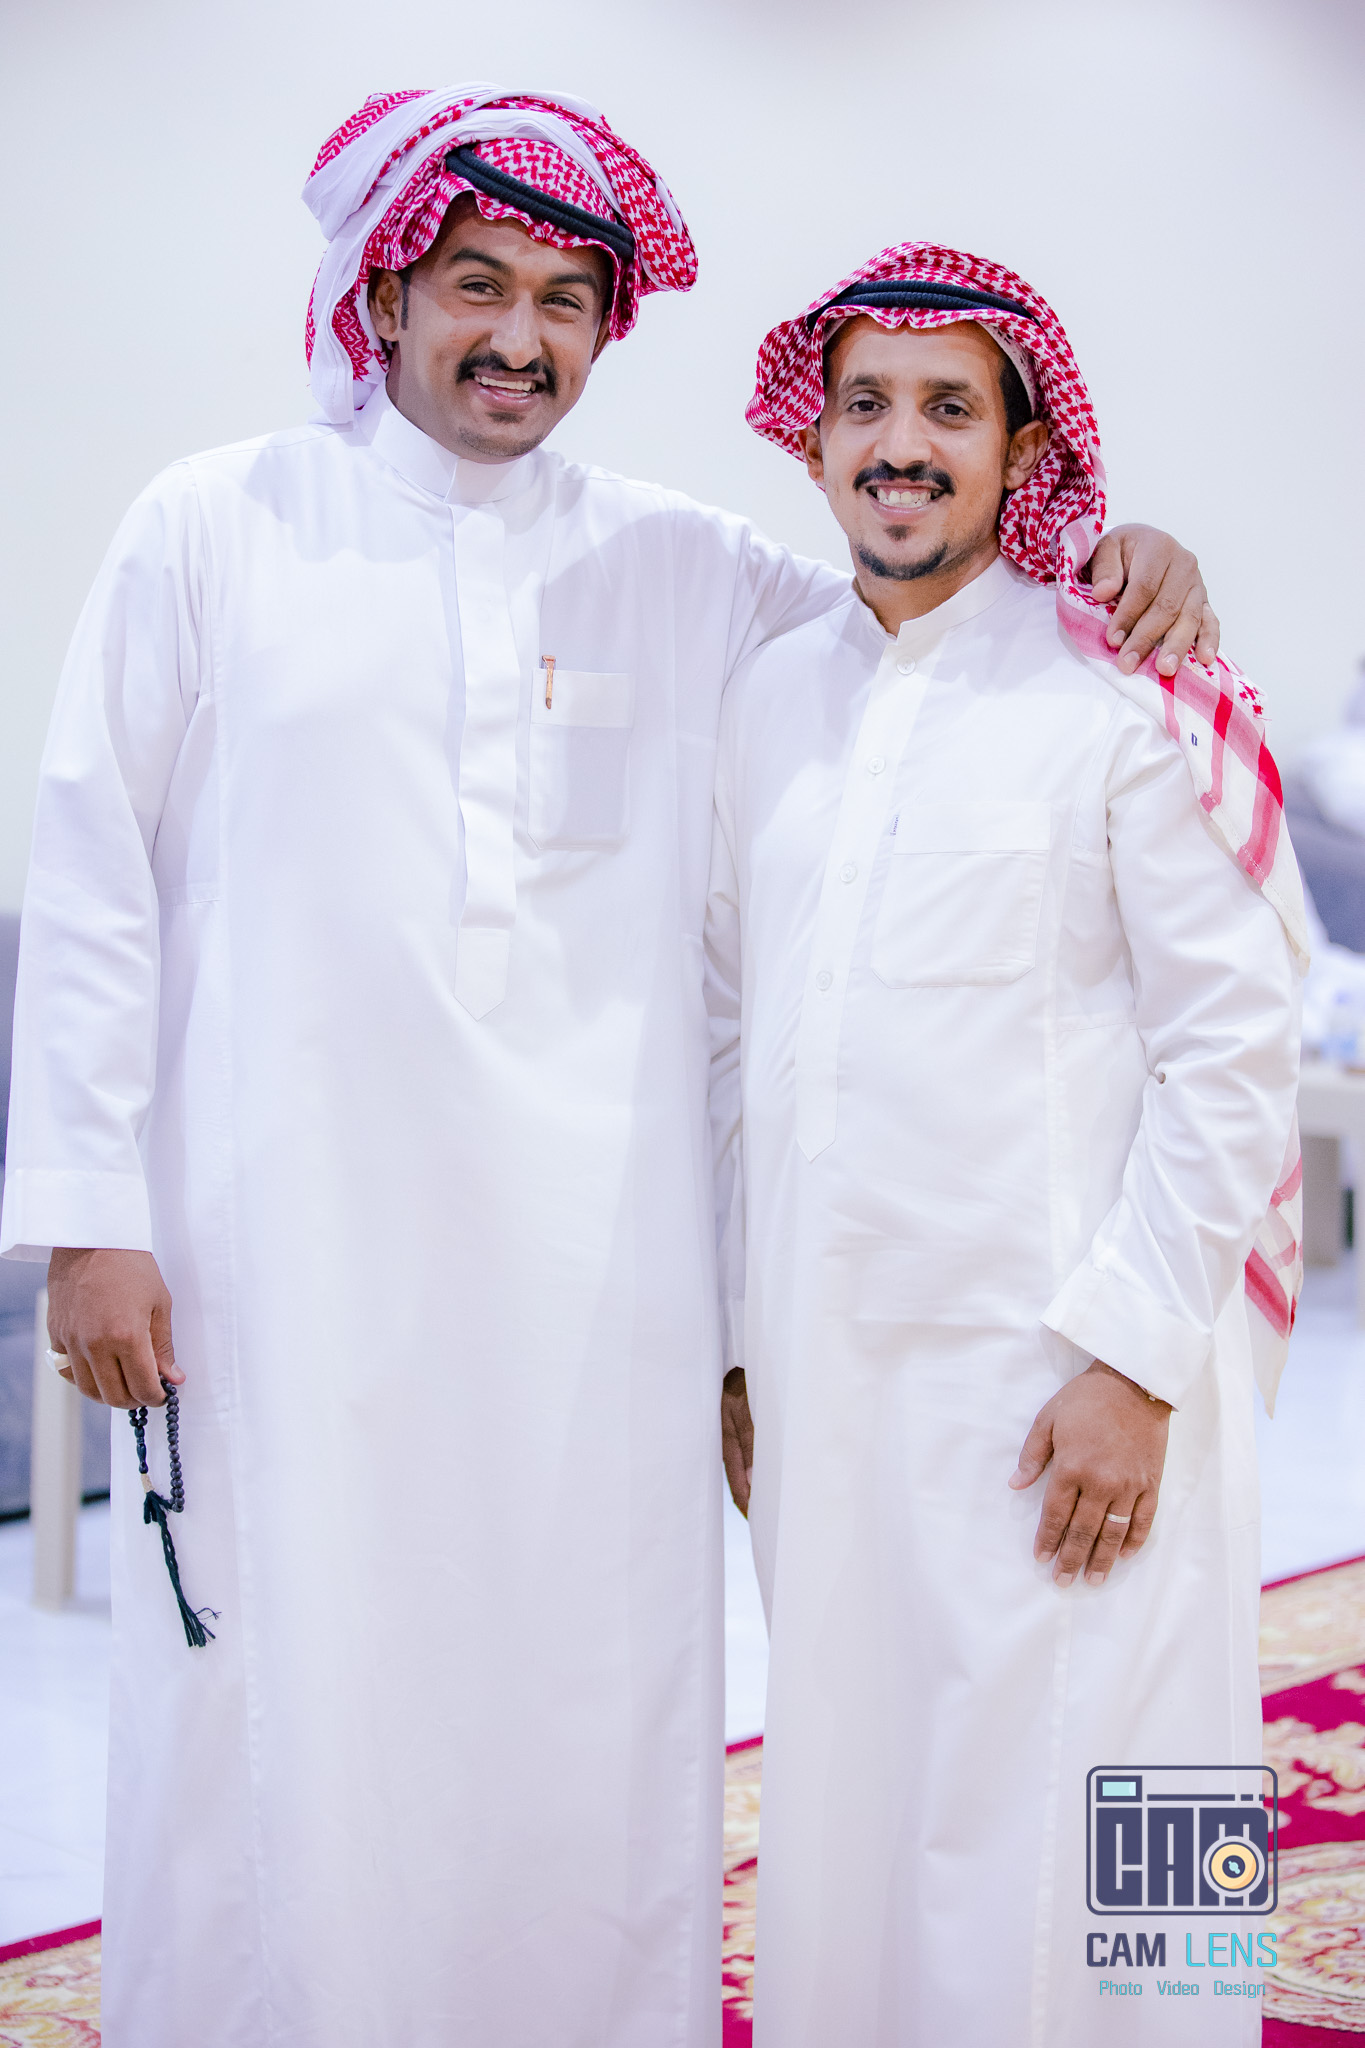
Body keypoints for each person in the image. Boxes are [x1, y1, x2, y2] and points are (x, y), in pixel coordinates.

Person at [1, 78, 1217, 2045]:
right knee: (313, 1717)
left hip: (705, 1316)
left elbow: (958, 641)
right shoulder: (214, 529)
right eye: (477, 285)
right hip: (316, 1276)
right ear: (382, 298)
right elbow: (90, 875)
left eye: (565, 299)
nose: (519, 335)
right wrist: (86, 1211)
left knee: (723, 1729)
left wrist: (1130, 550)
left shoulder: (757, 591)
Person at [705, 244, 1304, 2046]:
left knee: (1138, 1789)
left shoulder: (1124, 686)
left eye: (948, 409)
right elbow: (735, 1042)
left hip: (1077, 1384)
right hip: (834, 1386)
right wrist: (735, 1346)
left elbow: (1232, 1053)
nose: (901, 444)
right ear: (814, 441)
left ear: (1020, 445)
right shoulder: (769, 696)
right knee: (868, 1805)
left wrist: (1133, 1358)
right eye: (866, 406)